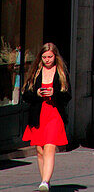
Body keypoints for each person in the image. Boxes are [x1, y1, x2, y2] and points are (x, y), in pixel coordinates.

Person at [21, 42, 71, 192]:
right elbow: (25, 95)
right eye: (44, 57)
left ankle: (44, 181)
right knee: (40, 150)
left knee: (50, 146)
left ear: (55, 57)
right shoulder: (36, 72)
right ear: (40, 57)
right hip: (38, 114)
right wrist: (37, 93)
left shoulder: (61, 73)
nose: (47, 60)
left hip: (54, 113)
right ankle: (45, 183)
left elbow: (67, 96)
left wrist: (54, 93)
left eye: (50, 57)